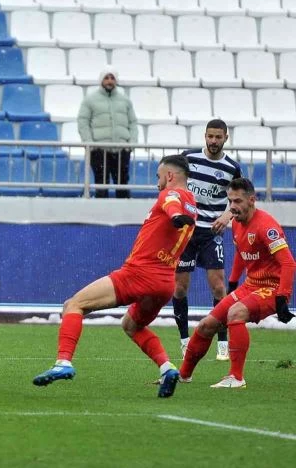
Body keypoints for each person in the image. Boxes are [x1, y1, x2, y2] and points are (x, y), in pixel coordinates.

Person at [33, 155, 198, 399]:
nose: (158, 183)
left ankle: (63, 362)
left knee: (73, 304)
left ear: (170, 176)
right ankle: (167, 368)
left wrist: (174, 216)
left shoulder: (171, 195)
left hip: (139, 273)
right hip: (165, 283)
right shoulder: (193, 204)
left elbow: (170, 201)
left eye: (159, 177)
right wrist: (175, 216)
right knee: (132, 325)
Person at [180, 178, 296, 388]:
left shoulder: (266, 226)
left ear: (252, 200)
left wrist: (282, 298)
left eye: (238, 201)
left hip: (272, 288)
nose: (232, 206)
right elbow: (242, 255)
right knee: (206, 325)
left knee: (235, 313)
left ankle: (236, 377)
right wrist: (233, 284)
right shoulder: (236, 223)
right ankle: (183, 375)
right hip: (250, 286)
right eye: (230, 201)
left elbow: (288, 263)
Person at [171, 119, 243, 360]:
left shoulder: (232, 168)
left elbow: (239, 200)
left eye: (218, 137)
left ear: (226, 138)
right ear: (205, 136)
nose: (213, 141)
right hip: (186, 231)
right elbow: (173, 186)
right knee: (179, 288)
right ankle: (184, 340)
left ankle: (222, 342)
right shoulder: (188, 158)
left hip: (212, 233)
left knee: (219, 287)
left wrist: (227, 215)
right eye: (210, 136)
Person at [77, 66, 138, 199]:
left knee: (122, 183)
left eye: (112, 78)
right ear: (101, 80)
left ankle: (123, 210)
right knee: (101, 183)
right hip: (99, 150)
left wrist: (131, 144)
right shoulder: (90, 100)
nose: (109, 81)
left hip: (121, 149)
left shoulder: (125, 100)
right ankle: (100, 211)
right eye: (106, 78)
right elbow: (83, 122)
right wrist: (90, 144)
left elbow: (133, 122)